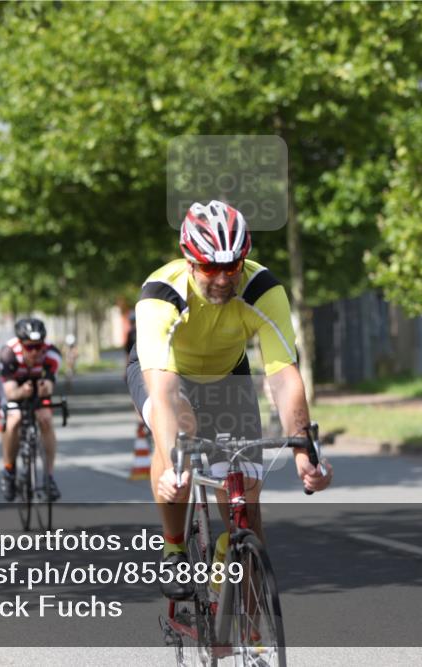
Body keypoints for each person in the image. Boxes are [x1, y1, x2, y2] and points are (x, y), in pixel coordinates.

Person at [126, 200, 333, 599]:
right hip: (165, 372)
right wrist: (174, 465)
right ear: (189, 261)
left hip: (227, 373)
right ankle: (174, 548)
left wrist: (305, 451)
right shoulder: (160, 295)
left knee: (247, 507)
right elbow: (165, 391)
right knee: (181, 428)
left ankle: (251, 636)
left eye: (232, 267)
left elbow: (284, 376)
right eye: (209, 268)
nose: (222, 279)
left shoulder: (262, 289)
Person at [0, 318, 63, 502]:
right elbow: (10, 392)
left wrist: (44, 389)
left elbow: (50, 385)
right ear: (20, 344)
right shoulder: (8, 354)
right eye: (29, 347)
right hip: (13, 386)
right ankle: (9, 470)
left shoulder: (52, 354)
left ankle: (49, 477)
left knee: (46, 419)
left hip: (36, 384)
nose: (34, 351)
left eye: (38, 346)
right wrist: (21, 392)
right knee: (14, 419)